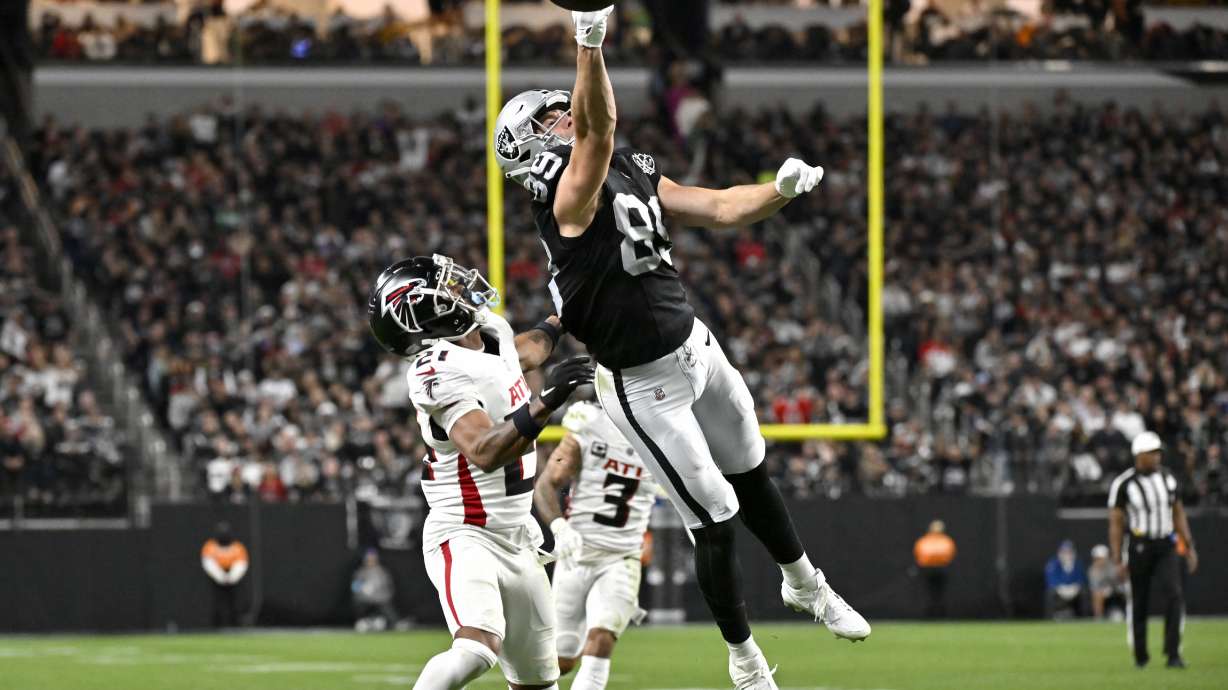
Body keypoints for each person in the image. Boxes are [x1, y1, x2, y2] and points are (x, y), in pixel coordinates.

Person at [493, 7, 867, 688]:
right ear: (526, 149)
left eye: (563, 109)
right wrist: (589, 39)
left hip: (695, 345)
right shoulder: (565, 201)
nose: (565, 116)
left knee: (751, 470)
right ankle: (745, 658)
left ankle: (806, 583)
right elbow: (599, 129)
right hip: (642, 386)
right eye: (550, 117)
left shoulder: (626, 171)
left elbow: (719, 207)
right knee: (716, 517)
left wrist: (778, 192)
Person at [367, 254, 592, 690]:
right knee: (476, 648)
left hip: (518, 536)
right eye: (446, 287)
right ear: (423, 313)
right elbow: (485, 451)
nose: (459, 287)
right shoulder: (437, 370)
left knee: (539, 682)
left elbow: (521, 352)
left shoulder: (487, 330)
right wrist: (545, 401)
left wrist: (561, 318)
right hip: (466, 530)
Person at [533, 400, 656, 690]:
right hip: (577, 555)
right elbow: (546, 484)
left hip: (622, 557)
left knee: (601, 638)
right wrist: (559, 527)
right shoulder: (590, 426)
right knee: (560, 660)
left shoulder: (664, 438)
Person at [1108, 431, 1198, 669]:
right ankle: (1141, 656)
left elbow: (1178, 512)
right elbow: (1116, 522)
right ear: (1139, 455)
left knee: (1174, 594)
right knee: (1139, 600)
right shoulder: (1124, 483)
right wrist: (1117, 558)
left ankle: (1173, 653)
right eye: (1152, 453)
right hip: (1139, 545)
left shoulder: (1168, 478)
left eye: (1158, 452)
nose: (1157, 457)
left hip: (1166, 544)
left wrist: (1189, 545)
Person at [200, 521, 249, 628]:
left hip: (234, 579)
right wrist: (221, 577)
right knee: (217, 603)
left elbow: (241, 563)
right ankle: (216, 627)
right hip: (216, 579)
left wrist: (232, 577)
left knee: (235, 603)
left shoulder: (237, 547)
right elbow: (208, 563)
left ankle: (236, 626)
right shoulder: (210, 546)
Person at [912, 519, 955, 618]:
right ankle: (929, 615)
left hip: (940, 569)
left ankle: (940, 614)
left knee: (939, 593)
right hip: (928, 570)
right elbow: (920, 553)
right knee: (929, 593)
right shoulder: (926, 541)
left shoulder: (945, 541)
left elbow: (949, 553)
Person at [352, 549, 400, 632]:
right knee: (358, 605)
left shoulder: (382, 572)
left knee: (388, 611)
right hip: (364, 600)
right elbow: (354, 587)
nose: (370, 561)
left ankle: (388, 623)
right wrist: (363, 588)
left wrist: (380, 596)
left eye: (372, 559)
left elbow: (389, 588)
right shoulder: (360, 572)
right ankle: (365, 622)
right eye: (368, 559)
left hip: (380, 600)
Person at [1044, 540, 1089, 619]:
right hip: (1059, 589)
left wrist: (1074, 588)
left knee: (1084, 592)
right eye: (1065, 552)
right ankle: (1050, 617)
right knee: (1050, 593)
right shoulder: (1053, 564)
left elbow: (1081, 579)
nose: (1067, 554)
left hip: (1074, 589)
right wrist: (1061, 588)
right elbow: (1051, 580)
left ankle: (1084, 617)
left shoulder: (1078, 564)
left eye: (1069, 551)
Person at [1087, 544, 1126, 621]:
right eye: (1098, 558)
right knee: (1097, 594)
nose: (1101, 560)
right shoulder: (1092, 570)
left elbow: (1118, 580)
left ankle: (1131, 614)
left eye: (1102, 558)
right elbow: (1095, 586)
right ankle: (1098, 617)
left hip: (1116, 588)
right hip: (1102, 590)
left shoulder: (1112, 565)